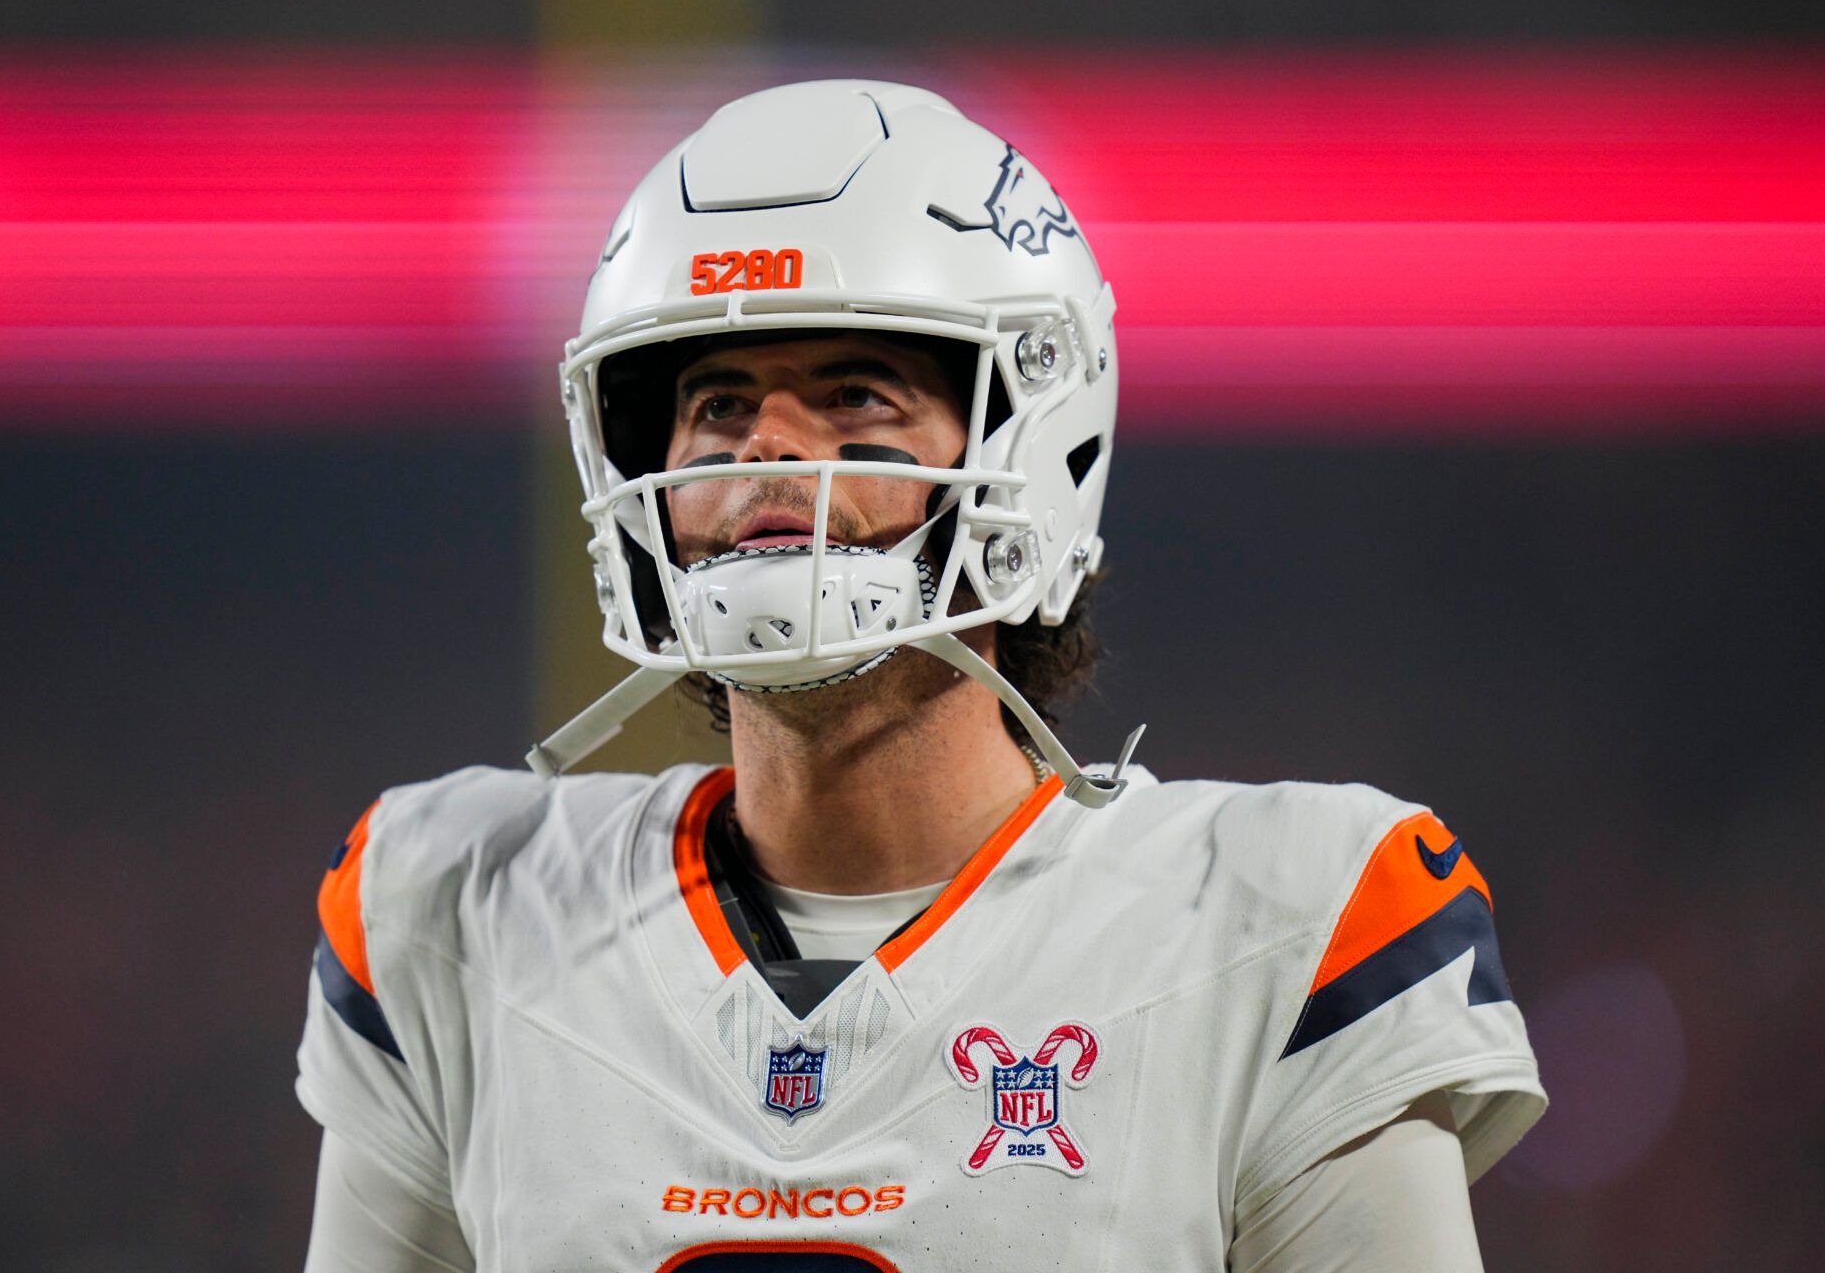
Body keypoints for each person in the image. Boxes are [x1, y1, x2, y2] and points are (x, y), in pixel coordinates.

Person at [297, 80, 1544, 1272]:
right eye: (718, 402)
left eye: (856, 393)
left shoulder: (1286, 919)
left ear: (1025, 446)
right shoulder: (458, 905)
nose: (769, 443)